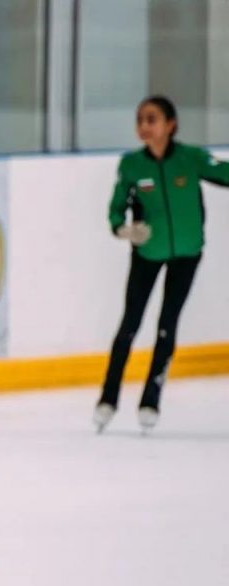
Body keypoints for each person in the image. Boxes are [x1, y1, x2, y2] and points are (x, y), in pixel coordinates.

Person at [94, 96, 229, 433]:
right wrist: (123, 229)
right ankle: (109, 396)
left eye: (152, 119)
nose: (144, 126)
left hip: (187, 253)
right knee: (130, 323)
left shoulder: (190, 158)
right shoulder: (131, 165)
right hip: (147, 254)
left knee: (167, 324)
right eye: (140, 119)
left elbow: (224, 172)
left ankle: (151, 398)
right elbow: (116, 208)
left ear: (171, 125)